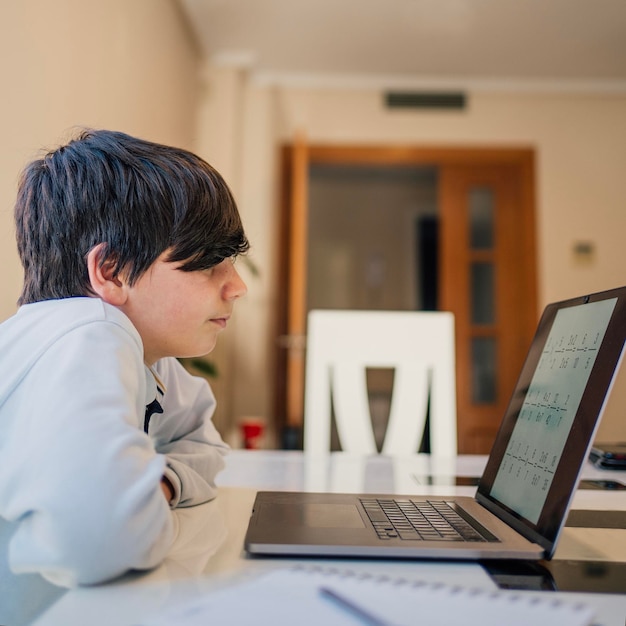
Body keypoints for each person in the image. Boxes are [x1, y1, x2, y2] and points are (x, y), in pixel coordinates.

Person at [0, 129, 249, 587]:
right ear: (111, 271)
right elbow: (100, 540)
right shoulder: (89, 332)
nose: (237, 287)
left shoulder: (146, 357)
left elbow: (204, 445)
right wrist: (140, 500)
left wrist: (161, 483)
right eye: (210, 262)